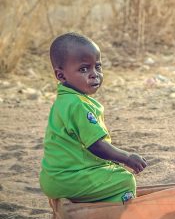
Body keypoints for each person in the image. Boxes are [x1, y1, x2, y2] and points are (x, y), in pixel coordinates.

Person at [39, 33, 148, 203]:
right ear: (61, 76)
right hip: (70, 178)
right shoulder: (78, 105)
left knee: (110, 170)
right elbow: (96, 145)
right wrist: (126, 157)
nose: (94, 74)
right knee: (124, 180)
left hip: (56, 177)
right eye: (84, 69)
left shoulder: (66, 100)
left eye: (97, 66)